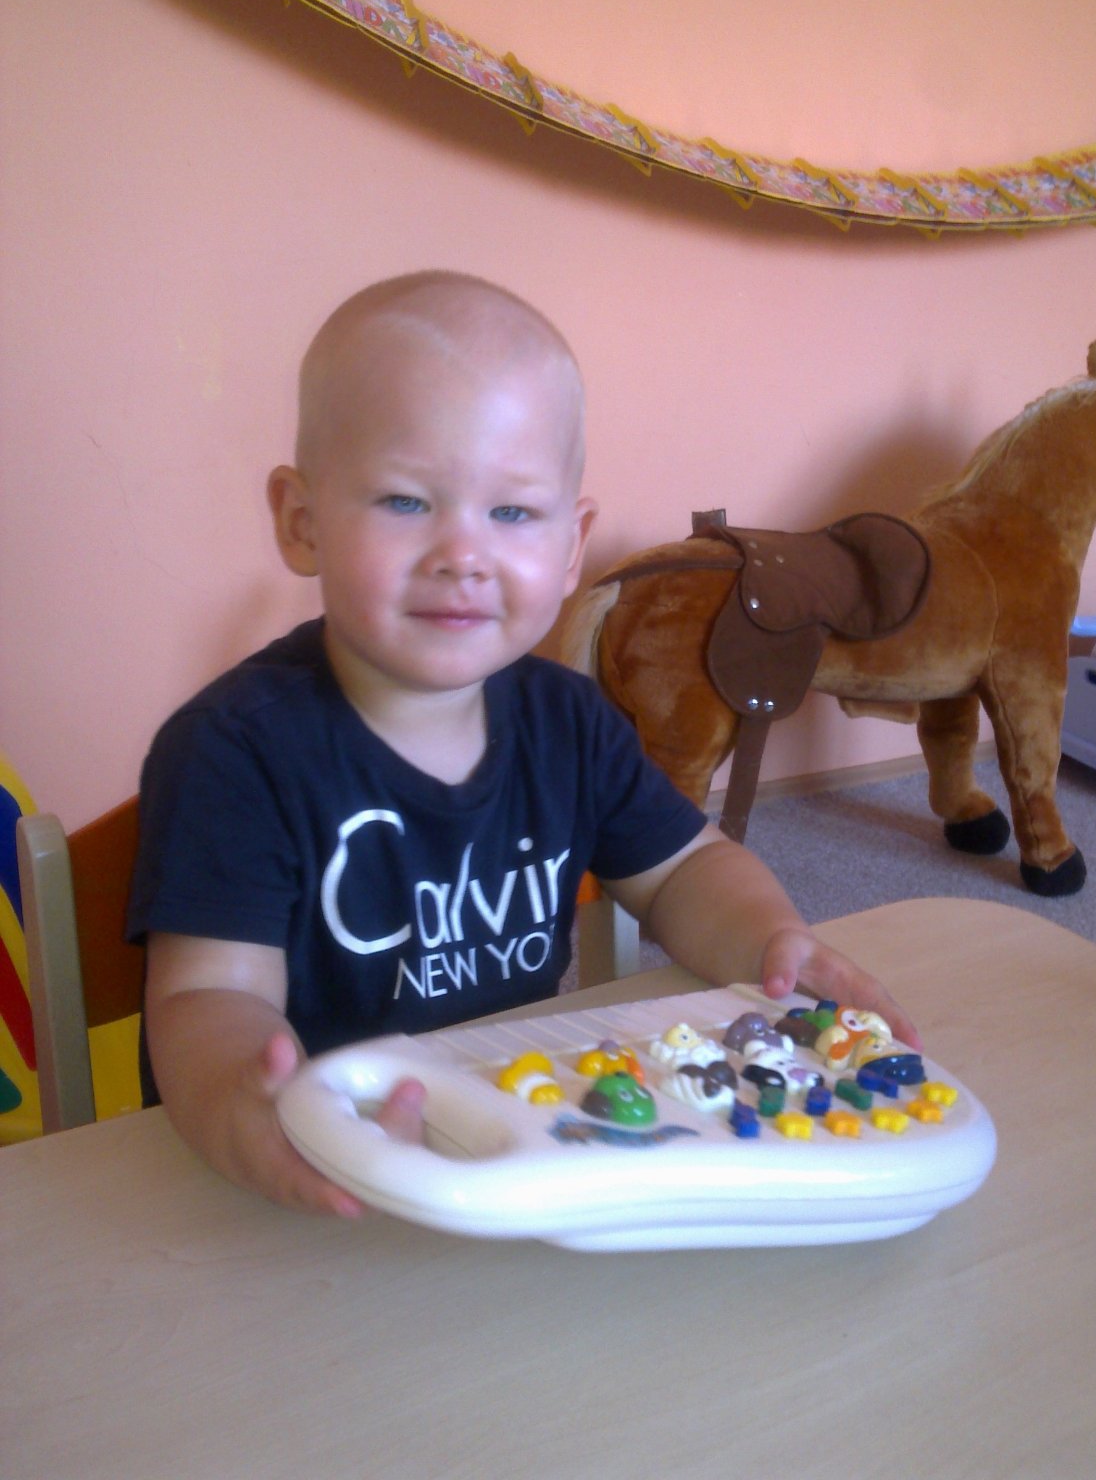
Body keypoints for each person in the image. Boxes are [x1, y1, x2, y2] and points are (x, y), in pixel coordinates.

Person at [130, 271, 917, 1219]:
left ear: (572, 545)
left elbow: (684, 872)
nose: (463, 555)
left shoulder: (570, 723)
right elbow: (206, 1001)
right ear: (302, 523)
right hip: (322, 1173)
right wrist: (248, 1112)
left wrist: (771, 940)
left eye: (511, 513)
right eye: (405, 501)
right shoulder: (232, 754)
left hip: (525, 1141)